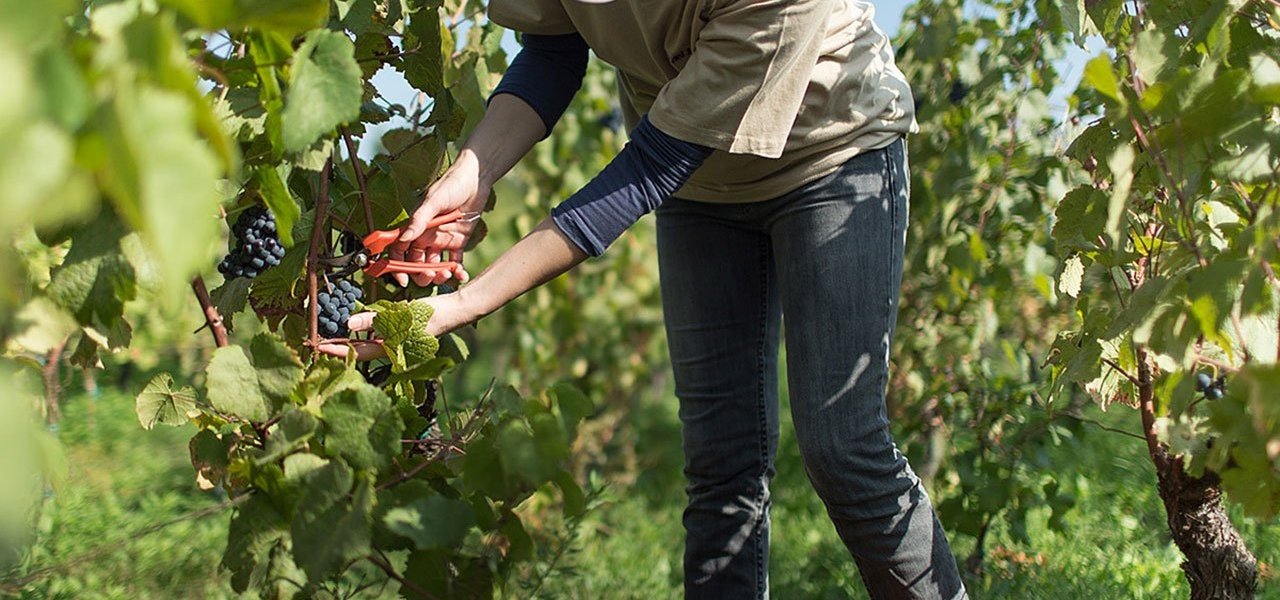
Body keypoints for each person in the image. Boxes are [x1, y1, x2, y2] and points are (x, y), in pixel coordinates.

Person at [321, 0, 968, 597]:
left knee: (843, 448)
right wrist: (476, 170)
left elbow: (649, 169)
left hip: (831, 156)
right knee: (721, 461)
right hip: (702, 195)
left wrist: (469, 302)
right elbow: (552, 51)